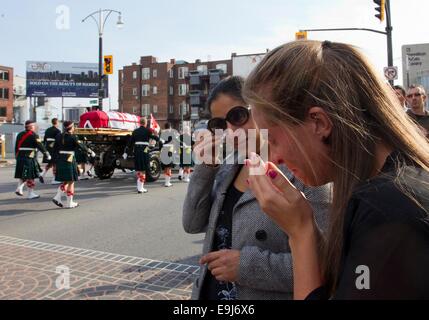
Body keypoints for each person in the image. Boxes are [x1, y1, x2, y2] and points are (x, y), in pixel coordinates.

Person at [243, 40, 429, 299]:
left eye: (272, 140)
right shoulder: (391, 185)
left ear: (319, 122)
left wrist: (300, 232)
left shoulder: (386, 206)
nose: (275, 158)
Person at [183, 76, 331, 300]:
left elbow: (327, 264)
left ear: (261, 109)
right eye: (220, 125)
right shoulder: (227, 168)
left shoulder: (304, 174)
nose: (231, 131)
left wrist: (245, 267)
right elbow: (192, 224)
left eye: (238, 116)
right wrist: (206, 167)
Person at [52, 121, 95, 209]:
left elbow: (54, 149)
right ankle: (68, 202)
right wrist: (91, 152)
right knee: (71, 181)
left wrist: (55, 162)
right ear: (71, 127)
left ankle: (59, 198)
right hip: (69, 159)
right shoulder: (73, 137)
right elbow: (81, 146)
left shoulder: (58, 136)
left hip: (60, 159)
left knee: (66, 181)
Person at [14, 120, 51, 199]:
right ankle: (29, 193)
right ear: (31, 127)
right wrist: (47, 154)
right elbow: (40, 145)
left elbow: (16, 146)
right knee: (30, 176)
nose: (35, 127)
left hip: (20, 156)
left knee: (24, 174)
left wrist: (16, 156)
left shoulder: (20, 134)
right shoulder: (34, 135)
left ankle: (20, 188)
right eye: (34, 126)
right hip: (29, 157)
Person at [124, 117, 159, 194]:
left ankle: (139, 187)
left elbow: (130, 143)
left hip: (136, 150)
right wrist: (156, 134)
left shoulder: (135, 131)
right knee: (143, 169)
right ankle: (140, 188)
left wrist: (126, 152)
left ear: (140, 123)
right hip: (144, 150)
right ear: (145, 123)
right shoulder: (148, 130)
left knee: (139, 169)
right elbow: (156, 138)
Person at [40, 118, 61, 184]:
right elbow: (58, 141)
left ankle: (42, 174)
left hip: (47, 148)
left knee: (50, 163)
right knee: (55, 164)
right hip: (54, 148)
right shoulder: (58, 131)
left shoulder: (47, 130)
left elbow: (44, 140)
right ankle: (54, 179)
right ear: (57, 123)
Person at [160, 122, 177, 187]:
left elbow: (160, 143)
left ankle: (166, 181)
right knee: (169, 166)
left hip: (164, 149)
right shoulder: (172, 133)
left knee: (165, 166)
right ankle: (167, 182)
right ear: (170, 127)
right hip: (170, 149)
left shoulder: (162, 133)